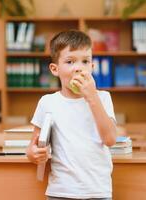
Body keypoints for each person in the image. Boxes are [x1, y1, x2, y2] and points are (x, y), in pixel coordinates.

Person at [26, 30, 117, 200]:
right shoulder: (47, 102)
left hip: (98, 191)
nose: (78, 68)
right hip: (60, 192)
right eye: (70, 61)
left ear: (92, 67)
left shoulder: (103, 98)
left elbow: (110, 139)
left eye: (85, 61)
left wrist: (92, 97)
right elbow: (33, 146)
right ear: (55, 69)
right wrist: (33, 153)